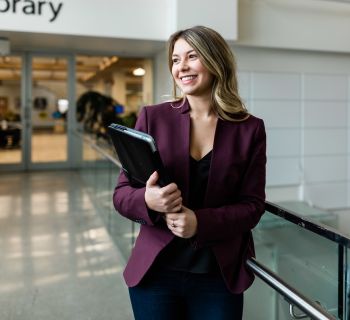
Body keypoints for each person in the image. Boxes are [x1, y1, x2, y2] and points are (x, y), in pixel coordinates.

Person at [113, 25, 267, 320]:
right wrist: (148, 201)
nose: (181, 67)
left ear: (215, 60)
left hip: (217, 277)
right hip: (155, 275)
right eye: (175, 59)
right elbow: (121, 194)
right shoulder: (152, 117)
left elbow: (252, 206)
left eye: (192, 56)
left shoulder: (249, 129)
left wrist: (200, 222)